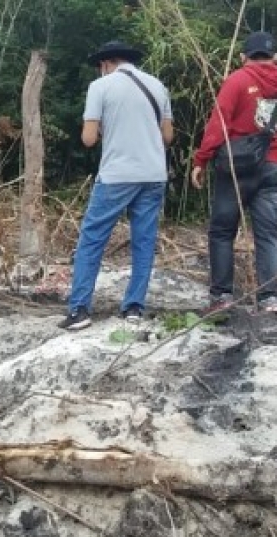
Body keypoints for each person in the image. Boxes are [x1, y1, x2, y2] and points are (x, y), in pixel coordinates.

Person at [59, 41, 174, 330]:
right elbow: (168, 136)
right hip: (153, 174)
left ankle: (80, 310)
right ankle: (134, 307)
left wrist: (105, 131)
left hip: (116, 175)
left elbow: (88, 138)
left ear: (105, 63)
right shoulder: (157, 86)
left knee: (92, 239)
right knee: (144, 240)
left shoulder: (101, 87)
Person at [192, 31, 277, 313]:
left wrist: (201, 160)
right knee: (268, 233)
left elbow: (219, 125)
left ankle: (223, 297)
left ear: (243, 57)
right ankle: (269, 298)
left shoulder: (237, 80)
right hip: (273, 165)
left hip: (237, 167)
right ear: (274, 57)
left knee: (221, 231)